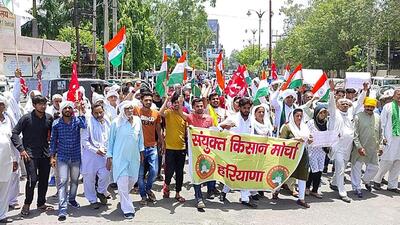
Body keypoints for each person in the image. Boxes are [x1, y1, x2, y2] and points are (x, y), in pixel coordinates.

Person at [11, 95, 54, 216]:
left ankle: (41, 203)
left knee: (44, 180)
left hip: (45, 154)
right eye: (40, 104)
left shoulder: (49, 118)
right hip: (29, 154)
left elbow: (55, 134)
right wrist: (21, 149)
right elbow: (14, 133)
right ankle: (27, 204)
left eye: (44, 104)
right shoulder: (26, 118)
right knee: (32, 179)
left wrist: (53, 153)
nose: (43, 106)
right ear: (34, 105)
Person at [106, 101, 144, 219]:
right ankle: (128, 210)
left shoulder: (138, 120)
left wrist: (141, 151)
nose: (130, 111)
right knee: (122, 182)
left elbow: (140, 137)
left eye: (131, 108)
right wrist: (109, 156)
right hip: (120, 158)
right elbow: (110, 141)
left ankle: (123, 197)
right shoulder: (115, 123)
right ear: (122, 110)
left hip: (134, 157)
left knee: (132, 180)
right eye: (127, 109)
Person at [50, 101, 86, 221]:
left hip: (75, 156)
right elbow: (53, 141)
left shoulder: (76, 121)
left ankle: (72, 199)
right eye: (65, 108)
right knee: (63, 181)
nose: (68, 110)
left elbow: (84, 125)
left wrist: (81, 111)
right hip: (62, 157)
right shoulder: (56, 124)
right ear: (62, 110)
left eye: (70, 108)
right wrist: (52, 157)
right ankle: (62, 209)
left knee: (75, 180)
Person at [219, 98, 258, 208]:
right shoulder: (233, 118)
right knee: (232, 173)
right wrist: (225, 126)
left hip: (247, 151)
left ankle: (245, 198)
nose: (246, 110)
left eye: (248, 108)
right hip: (233, 151)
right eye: (244, 108)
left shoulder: (252, 119)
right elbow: (218, 128)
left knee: (244, 174)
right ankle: (224, 192)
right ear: (239, 108)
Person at [276, 108, 312, 208]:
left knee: (302, 175)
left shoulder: (305, 127)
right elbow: (282, 141)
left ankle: (301, 199)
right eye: (297, 116)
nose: (299, 118)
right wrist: (294, 139)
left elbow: (308, 138)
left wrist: (309, 139)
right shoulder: (287, 127)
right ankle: (276, 191)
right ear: (293, 116)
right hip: (289, 155)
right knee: (284, 173)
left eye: (301, 116)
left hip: (302, 153)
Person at [185, 98, 217, 209]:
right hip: (195, 152)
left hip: (208, 151)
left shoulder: (209, 119)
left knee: (210, 170)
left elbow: (214, 133)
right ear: (193, 108)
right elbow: (179, 111)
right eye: (197, 106)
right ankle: (198, 198)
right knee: (196, 173)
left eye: (201, 106)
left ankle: (210, 190)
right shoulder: (189, 117)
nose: (199, 108)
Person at [328, 80, 354, 203]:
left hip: (347, 147)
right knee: (341, 168)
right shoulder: (335, 114)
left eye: (346, 104)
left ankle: (334, 182)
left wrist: (365, 92)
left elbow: (358, 103)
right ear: (337, 106)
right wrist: (332, 91)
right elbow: (331, 105)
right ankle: (342, 193)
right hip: (337, 146)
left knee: (342, 166)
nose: (344, 105)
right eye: (342, 103)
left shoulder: (349, 114)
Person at [135, 92, 162, 206]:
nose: (148, 102)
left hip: (152, 147)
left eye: (150, 100)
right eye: (146, 100)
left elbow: (158, 128)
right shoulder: (136, 111)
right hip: (139, 148)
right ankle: (143, 196)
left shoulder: (156, 113)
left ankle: (148, 188)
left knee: (154, 171)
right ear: (141, 100)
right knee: (140, 175)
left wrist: (161, 141)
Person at [81, 103, 110, 209]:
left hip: (104, 155)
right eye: (96, 113)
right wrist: (95, 150)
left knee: (106, 174)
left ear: (104, 111)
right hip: (90, 155)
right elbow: (84, 140)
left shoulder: (107, 121)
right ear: (92, 113)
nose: (98, 115)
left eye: (100, 112)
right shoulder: (88, 122)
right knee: (89, 178)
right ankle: (92, 200)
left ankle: (101, 191)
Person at [350, 97, 381, 198]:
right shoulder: (358, 117)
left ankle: (366, 180)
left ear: (374, 107)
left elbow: (380, 132)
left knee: (375, 167)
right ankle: (356, 188)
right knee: (357, 168)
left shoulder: (377, 117)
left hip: (373, 148)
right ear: (364, 106)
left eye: (371, 107)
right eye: (367, 106)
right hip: (360, 148)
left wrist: (380, 146)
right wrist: (359, 147)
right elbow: (355, 134)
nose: (369, 108)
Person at [160, 92, 187, 203]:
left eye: (179, 102)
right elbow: (160, 113)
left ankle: (177, 193)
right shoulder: (169, 112)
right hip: (170, 147)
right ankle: (166, 184)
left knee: (179, 172)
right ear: (172, 103)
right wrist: (167, 99)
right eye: (175, 102)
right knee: (169, 171)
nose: (177, 104)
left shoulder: (184, 114)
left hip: (181, 148)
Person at [373, 89, 400, 193]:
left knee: (398, 162)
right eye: (398, 95)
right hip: (390, 138)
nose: (399, 97)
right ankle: (377, 180)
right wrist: (383, 137)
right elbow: (382, 123)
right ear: (393, 96)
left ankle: (392, 185)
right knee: (387, 161)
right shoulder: (388, 107)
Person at [0, 96, 18, 223]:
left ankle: (2, 215)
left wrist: (15, 159)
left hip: (6, 161)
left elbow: (13, 140)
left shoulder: (8, 120)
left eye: (1, 104)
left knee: (5, 189)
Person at [306, 105, 329, 198]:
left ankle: (314, 190)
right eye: (321, 112)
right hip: (312, 149)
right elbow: (306, 133)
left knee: (319, 170)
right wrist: (309, 138)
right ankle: (307, 187)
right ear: (316, 113)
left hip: (322, 150)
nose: (322, 114)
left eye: (324, 112)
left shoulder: (326, 123)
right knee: (313, 169)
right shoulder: (311, 123)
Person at [46, 94, 63, 187]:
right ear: (53, 102)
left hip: (63, 138)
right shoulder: (49, 110)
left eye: (60, 101)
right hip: (52, 137)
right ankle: (52, 177)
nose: (58, 103)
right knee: (53, 158)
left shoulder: (65, 109)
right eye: (56, 101)